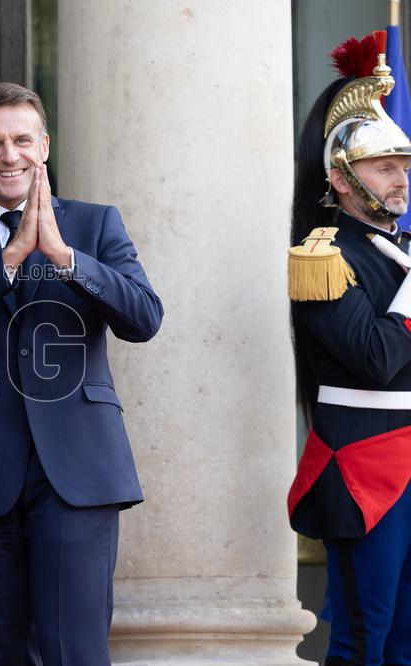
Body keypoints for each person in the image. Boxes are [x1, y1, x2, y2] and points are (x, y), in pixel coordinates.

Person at [0, 81, 163, 665]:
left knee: (72, 648)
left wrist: (66, 257)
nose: (10, 155)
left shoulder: (96, 225)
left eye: (22, 139)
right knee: (0, 651)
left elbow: (144, 317)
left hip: (78, 471)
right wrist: (8, 260)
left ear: (44, 146)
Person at [287, 36, 411, 665]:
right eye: (384, 166)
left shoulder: (404, 248)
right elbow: (374, 357)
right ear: (341, 176)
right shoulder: (324, 254)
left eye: (404, 165)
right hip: (367, 458)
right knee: (366, 638)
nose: (401, 179)